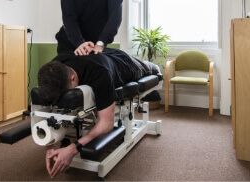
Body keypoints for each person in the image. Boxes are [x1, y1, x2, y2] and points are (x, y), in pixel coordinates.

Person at [37, 48, 160, 178]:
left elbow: (107, 123)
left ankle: (152, 66)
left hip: (125, 63)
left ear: (72, 78)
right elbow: (44, 111)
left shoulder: (100, 75)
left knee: (150, 68)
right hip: (98, 56)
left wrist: (74, 148)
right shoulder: (53, 69)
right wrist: (49, 146)